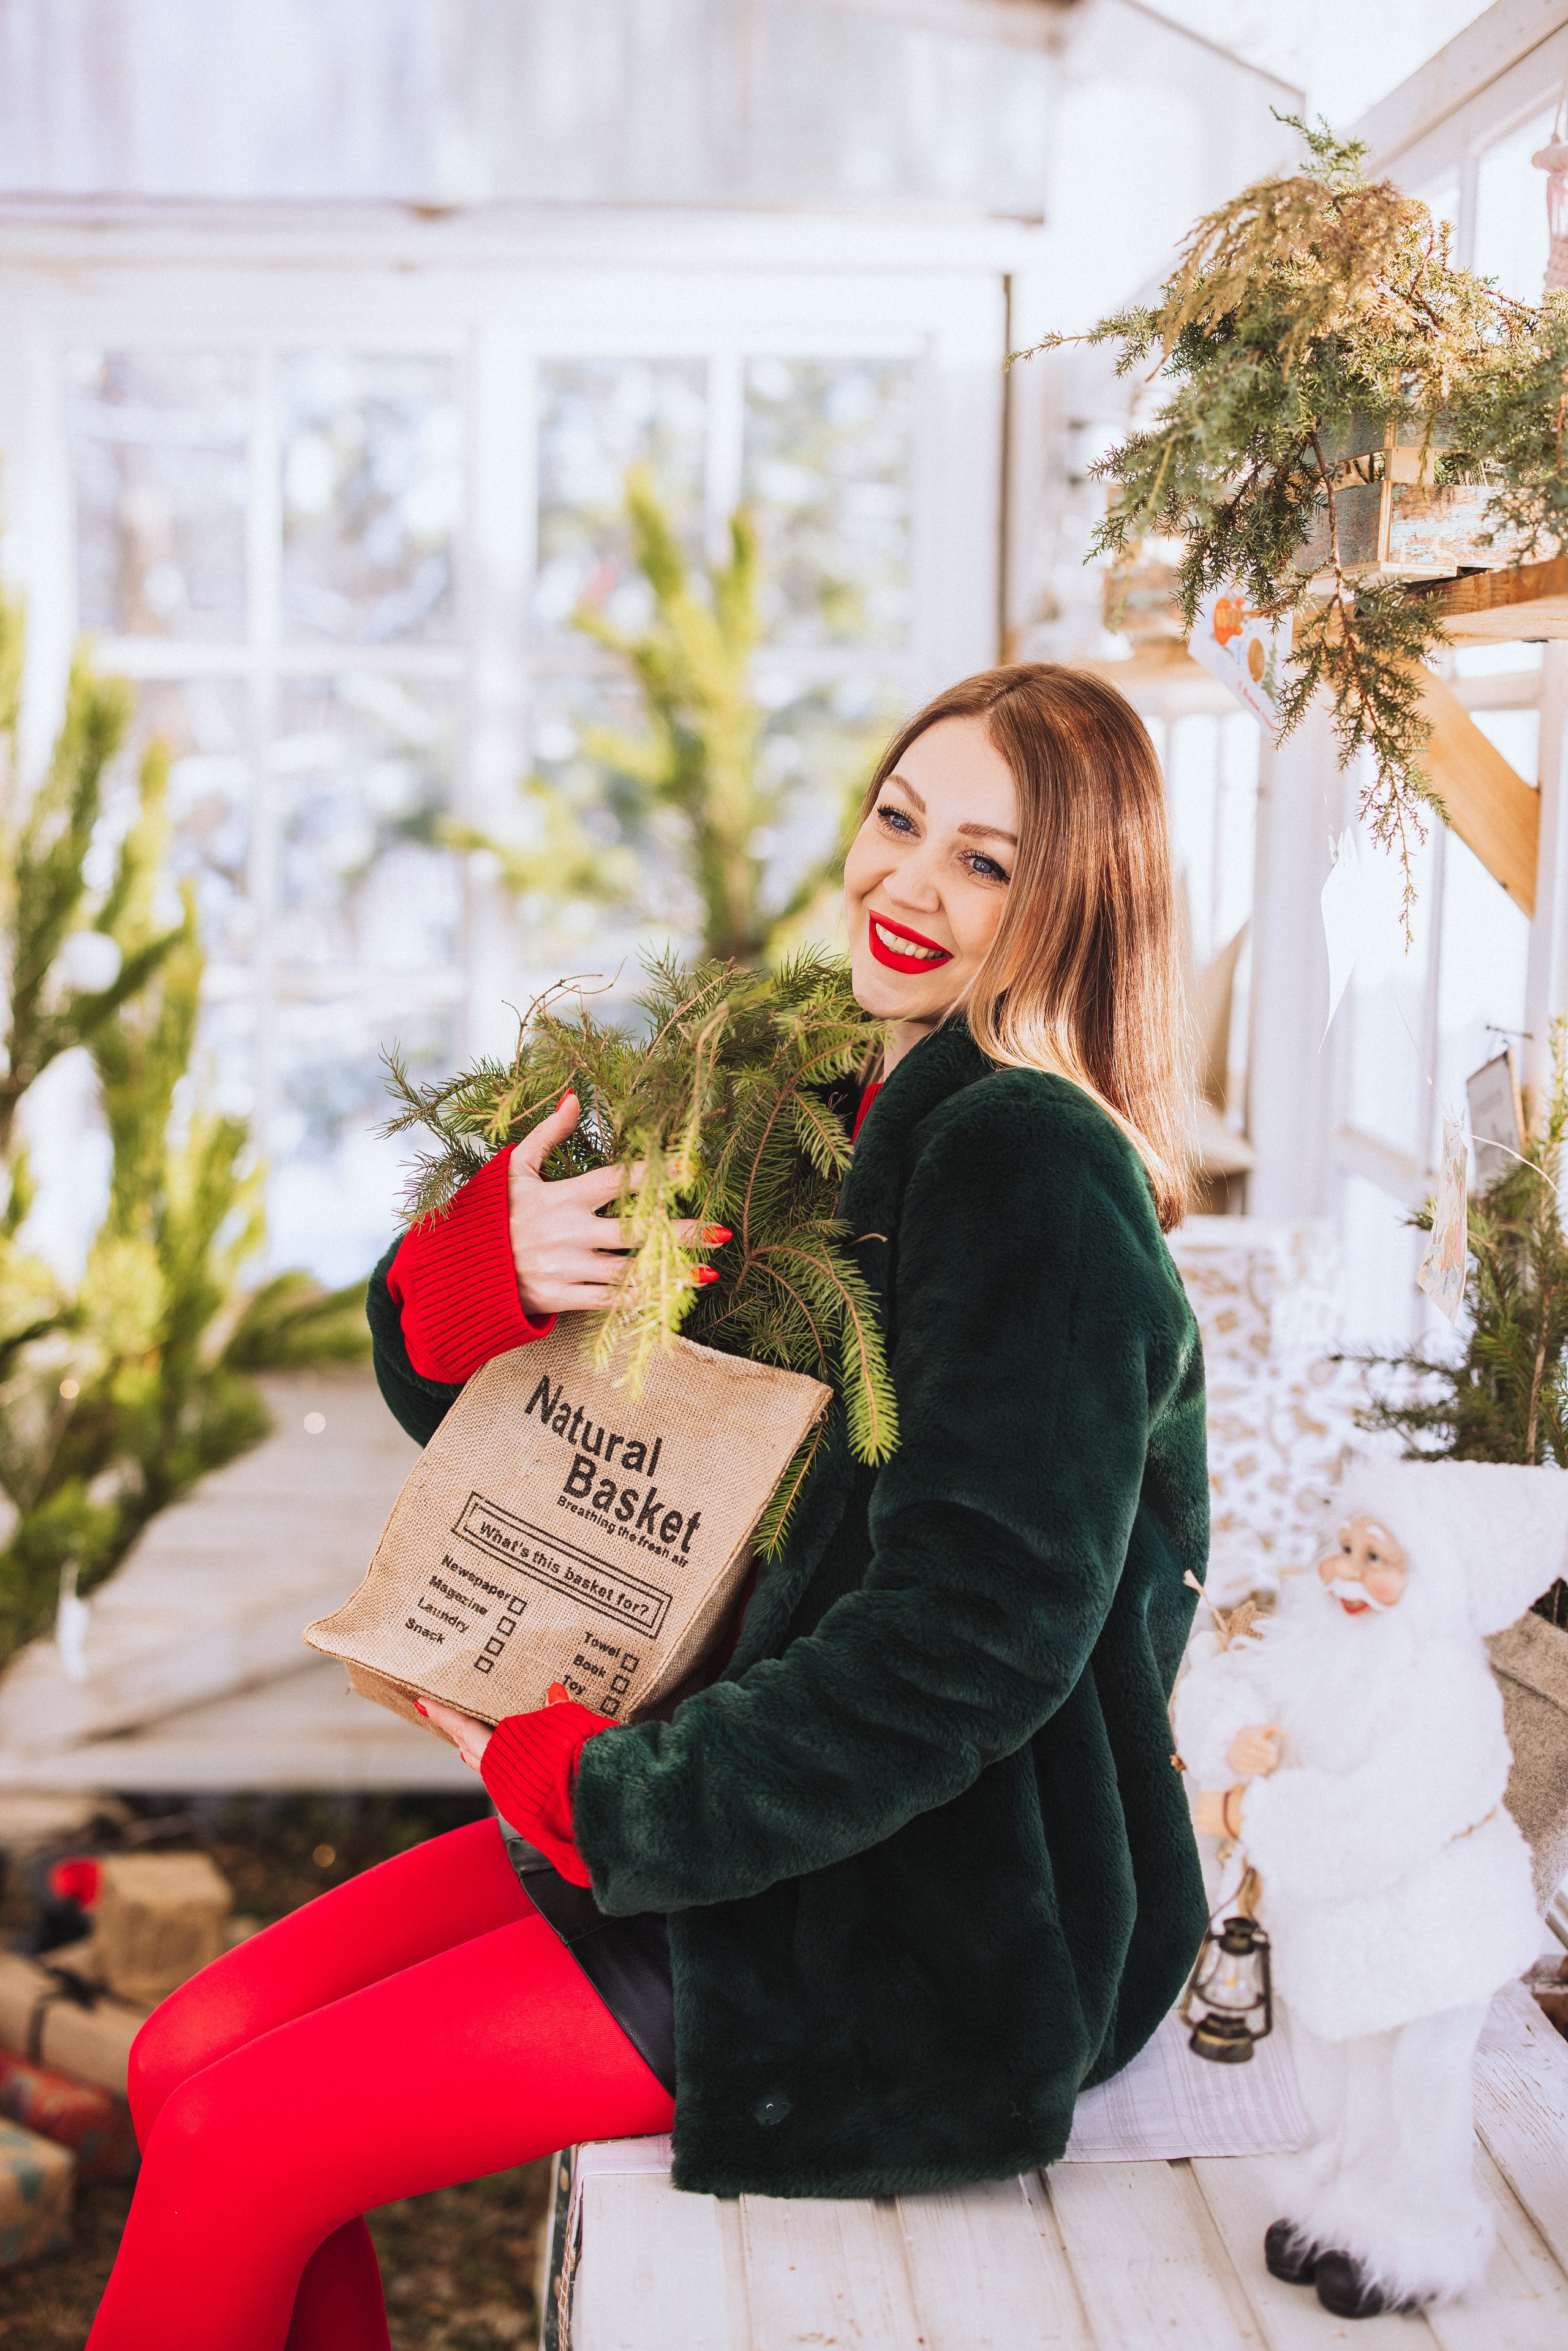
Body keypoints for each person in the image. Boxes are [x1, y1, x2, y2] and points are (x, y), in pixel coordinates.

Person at [88, 664, 1210, 2351]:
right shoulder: (803, 1094)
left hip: (919, 1911)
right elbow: (576, 1433)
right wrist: (488, 1280)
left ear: (1074, 904)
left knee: (243, 2138)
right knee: (186, 2059)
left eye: (987, 861)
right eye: (898, 819)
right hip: (732, 1811)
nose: (910, 883)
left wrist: (627, 1802)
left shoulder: (1028, 1160)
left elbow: (980, 1635)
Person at [1176, 1458, 1564, 2320]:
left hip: (1433, 1931)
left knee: (1415, 2081)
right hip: (1341, 1922)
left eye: (1377, 1557)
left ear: (1437, 1577)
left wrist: (1244, 1808)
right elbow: (1243, 1679)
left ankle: (1415, 2237)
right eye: (1343, 1545)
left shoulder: (1445, 1692)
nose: (1346, 1571)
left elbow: (1374, 1822)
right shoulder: (1331, 1642)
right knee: (1339, 2071)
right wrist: (1235, 1732)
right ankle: (1338, 2202)